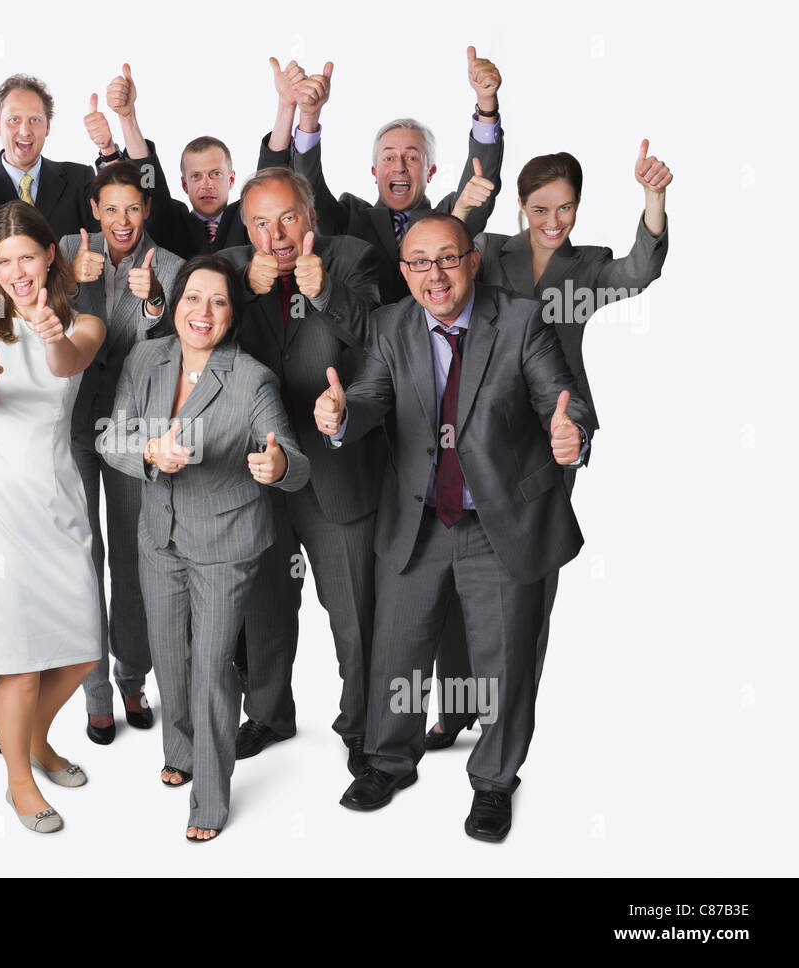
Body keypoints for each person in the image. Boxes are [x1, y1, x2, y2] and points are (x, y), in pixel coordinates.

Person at [316, 212, 596, 842]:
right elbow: (369, 399)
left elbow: (562, 395)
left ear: (472, 261)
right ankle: (389, 761)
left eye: (447, 258)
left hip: (500, 522)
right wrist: (339, 416)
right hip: (417, 520)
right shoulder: (392, 326)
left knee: (503, 662)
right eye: (418, 262)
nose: (433, 274)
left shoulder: (521, 320)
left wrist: (569, 429)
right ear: (405, 271)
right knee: (398, 650)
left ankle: (495, 781)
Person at [426, 141, 672, 748]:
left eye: (564, 209)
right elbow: (444, 253)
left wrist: (653, 199)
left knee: (527, 576)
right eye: (540, 209)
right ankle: (457, 707)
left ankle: (509, 719)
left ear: (578, 209)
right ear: (521, 207)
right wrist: (463, 206)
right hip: (477, 430)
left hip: (553, 432)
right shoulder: (488, 251)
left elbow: (639, 270)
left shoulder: (586, 267)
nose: (553, 222)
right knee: (459, 571)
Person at [97, 255, 310, 842]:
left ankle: (211, 796)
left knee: (213, 666)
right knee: (170, 655)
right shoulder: (146, 357)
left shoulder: (251, 378)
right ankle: (182, 747)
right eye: (193, 297)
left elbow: (295, 460)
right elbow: (113, 435)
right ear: (177, 302)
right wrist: (149, 452)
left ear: (232, 313)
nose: (203, 311)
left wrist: (278, 464)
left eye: (218, 301)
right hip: (158, 536)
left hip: (225, 540)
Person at [214, 167, 383, 778]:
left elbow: (378, 335)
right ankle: (268, 713)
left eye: (287, 218)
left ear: (310, 215)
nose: (275, 234)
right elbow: (188, 335)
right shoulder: (231, 266)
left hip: (337, 468)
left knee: (354, 610)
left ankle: (363, 725)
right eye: (260, 222)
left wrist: (326, 294)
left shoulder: (355, 257)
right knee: (264, 603)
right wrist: (244, 292)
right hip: (259, 470)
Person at [0, 201, 106, 833]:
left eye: (28, 257)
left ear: (50, 257)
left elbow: (68, 363)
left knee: (84, 646)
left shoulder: (84, 322)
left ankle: (37, 739)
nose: (17, 271)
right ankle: (19, 783)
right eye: (4, 260)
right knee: (18, 659)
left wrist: (50, 334)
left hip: (56, 495)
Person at [59, 161, 185, 745]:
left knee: (134, 560)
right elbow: (22, 303)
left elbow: (183, 346)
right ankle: (95, 692)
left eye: (132, 208)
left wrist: (156, 302)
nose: (122, 220)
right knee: (82, 559)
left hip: (137, 431)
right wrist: (65, 280)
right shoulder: (64, 250)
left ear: (147, 211)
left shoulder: (173, 268)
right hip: (72, 428)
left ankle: (132, 677)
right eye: (110, 208)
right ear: (94, 211)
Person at [274, 48, 506, 305]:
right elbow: (308, 188)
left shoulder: (452, 213)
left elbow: (480, 185)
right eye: (388, 157)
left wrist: (486, 104)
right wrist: (309, 117)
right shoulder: (350, 216)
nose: (400, 167)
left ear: (431, 172)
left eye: (412, 157)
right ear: (374, 172)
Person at [100, 62, 290, 259]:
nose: (206, 185)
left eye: (215, 174)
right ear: (184, 184)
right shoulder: (172, 221)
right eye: (196, 176)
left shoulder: (248, 217)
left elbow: (271, 175)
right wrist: (127, 117)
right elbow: (147, 177)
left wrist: (287, 106)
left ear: (231, 179)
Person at [0, 75, 103, 246]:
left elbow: (115, 224)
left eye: (35, 120)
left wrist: (107, 148)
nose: (25, 131)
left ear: (47, 127)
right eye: (14, 120)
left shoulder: (78, 178)